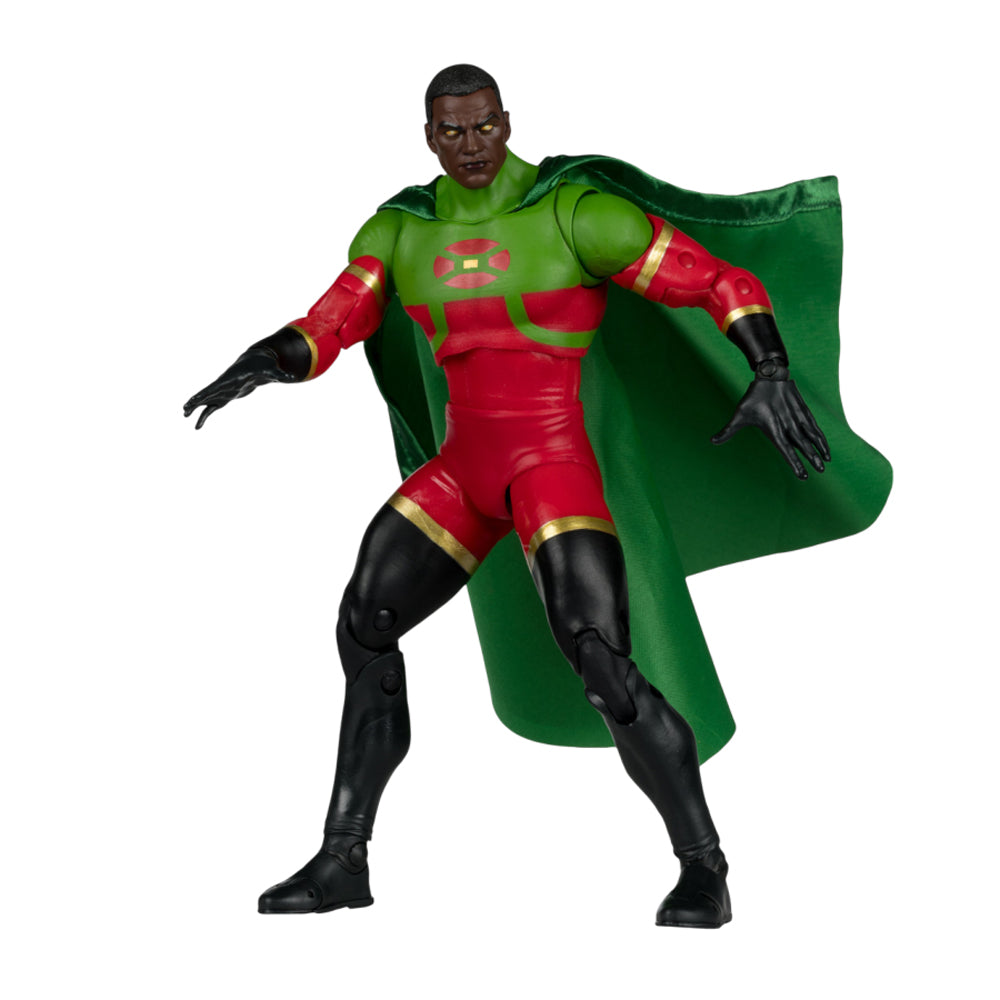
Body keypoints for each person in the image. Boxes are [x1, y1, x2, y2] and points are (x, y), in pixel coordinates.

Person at [185, 64, 833, 928]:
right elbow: (332, 322)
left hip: (551, 470)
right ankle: (344, 860)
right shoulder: (400, 231)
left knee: (602, 661)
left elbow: (721, 281)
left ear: (507, 121)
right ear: (429, 136)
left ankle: (703, 867)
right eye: (453, 131)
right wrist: (266, 359)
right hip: (462, 474)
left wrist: (771, 365)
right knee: (364, 625)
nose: (472, 144)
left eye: (485, 125)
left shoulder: (575, 215)